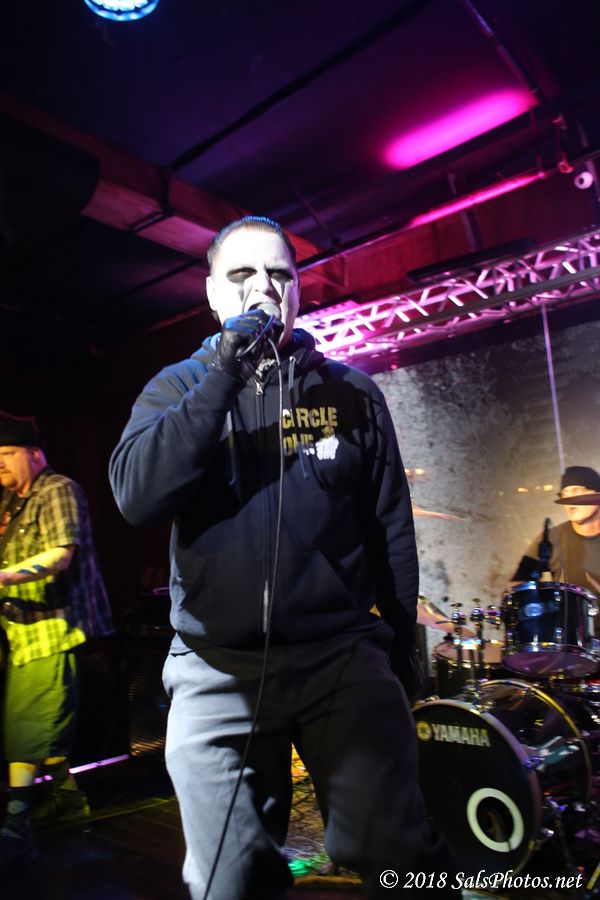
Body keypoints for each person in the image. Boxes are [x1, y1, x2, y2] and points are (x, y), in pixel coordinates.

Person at [109, 216, 455, 900]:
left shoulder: (351, 393)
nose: (263, 286)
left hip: (339, 656)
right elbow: (137, 497)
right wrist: (225, 374)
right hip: (216, 665)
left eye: (279, 274)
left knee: (393, 850)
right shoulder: (176, 388)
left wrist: (399, 653)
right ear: (213, 294)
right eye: (241, 274)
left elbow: (389, 527)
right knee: (230, 879)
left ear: (297, 291)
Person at [0, 414, 113, 872]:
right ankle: (67, 800)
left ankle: (16, 829)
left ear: (34, 453)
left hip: (54, 628)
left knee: (27, 728)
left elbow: (61, 554)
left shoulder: (57, 490)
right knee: (42, 723)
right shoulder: (12, 502)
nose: (0, 464)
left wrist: (4, 577)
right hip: (21, 632)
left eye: (7, 455)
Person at [511, 465, 600, 616]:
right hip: (573, 630)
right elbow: (517, 584)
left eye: (576, 490)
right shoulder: (551, 539)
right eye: (565, 493)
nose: (570, 499)